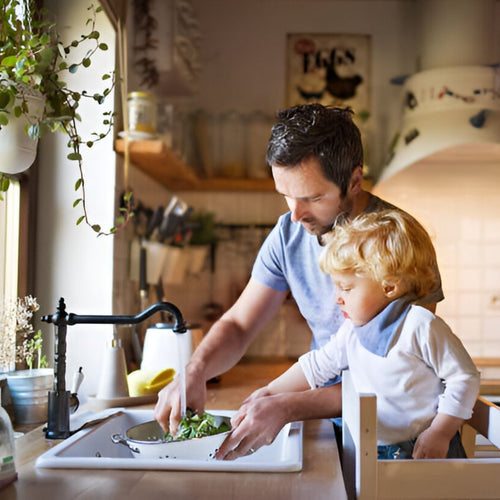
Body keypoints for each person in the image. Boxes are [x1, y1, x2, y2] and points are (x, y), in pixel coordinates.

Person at [154, 104, 443, 460]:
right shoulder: (288, 234)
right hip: (334, 423)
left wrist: (290, 405)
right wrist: (195, 371)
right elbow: (240, 324)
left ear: (354, 181)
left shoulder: (400, 242)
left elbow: (395, 377)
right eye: (286, 194)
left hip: (404, 441)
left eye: (313, 197)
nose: (295, 213)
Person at [241, 209, 480, 459]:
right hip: (373, 448)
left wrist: (440, 432)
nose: (338, 299)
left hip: (424, 447)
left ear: (388, 286)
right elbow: (317, 366)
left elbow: (465, 378)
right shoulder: (354, 330)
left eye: (346, 288)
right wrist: (270, 392)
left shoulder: (420, 325)